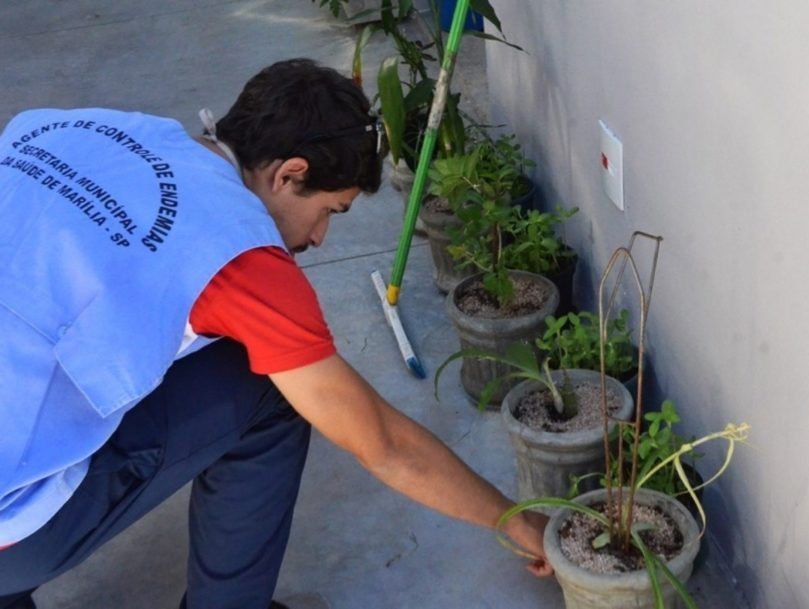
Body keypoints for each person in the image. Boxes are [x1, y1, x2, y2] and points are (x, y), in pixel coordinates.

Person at [0, 58, 550, 609]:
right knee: (269, 387)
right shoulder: (237, 254)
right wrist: (513, 521)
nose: (320, 238)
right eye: (329, 210)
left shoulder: (56, 127)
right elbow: (381, 442)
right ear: (288, 174)